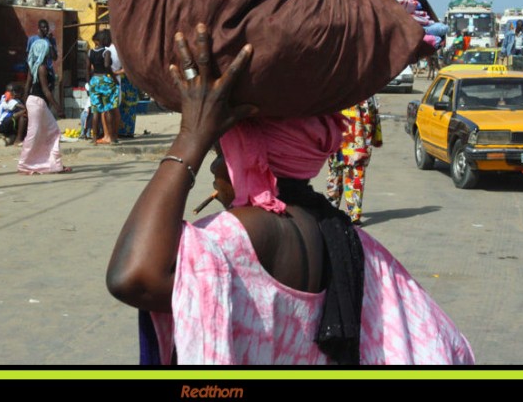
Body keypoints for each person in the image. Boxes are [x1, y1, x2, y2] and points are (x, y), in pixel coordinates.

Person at [106, 24, 475, 365]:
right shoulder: (338, 233)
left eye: (223, 151)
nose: (216, 167)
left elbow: (133, 277)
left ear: (252, 154)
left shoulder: (239, 237)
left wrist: (191, 136)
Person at [17, 40, 71, 175]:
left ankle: (52, 165)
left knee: (51, 131)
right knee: (34, 134)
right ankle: (25, 164)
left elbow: (27, 87)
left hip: (34, 102)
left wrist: (25, 104)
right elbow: (46, 90)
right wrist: (58, 108)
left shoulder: (34, 66)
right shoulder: (41, 68)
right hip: (37, 102)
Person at [325, 97, 382, 225]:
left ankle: (332, 210)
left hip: (341, 143)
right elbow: (374, 117)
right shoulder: (366, 94)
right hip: (356, 145)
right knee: (352, 179)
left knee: (336, 175)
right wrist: (376, 139)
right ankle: (353, 215)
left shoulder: (337, 92)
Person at [88, 30, 119, 145]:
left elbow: (87, 69)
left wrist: (88, 83)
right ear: (104, 40)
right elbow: (107, 65)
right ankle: (112, 138)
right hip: (105, 80)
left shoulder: (90, 52)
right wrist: (114, 78)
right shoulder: (106, 52)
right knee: (108, 109)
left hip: (94, 80)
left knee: (95, 110)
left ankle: (94, 138)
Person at [26, 19, 63, 116]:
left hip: (48, 70)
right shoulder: (32, 40)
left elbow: (54, 57)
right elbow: (29, 55)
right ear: (38, 28)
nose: (46, 29)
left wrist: (50, 42)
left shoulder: (50, 40)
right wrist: (58, 108)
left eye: (47, 27)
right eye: (43, 27)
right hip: (37, 69)